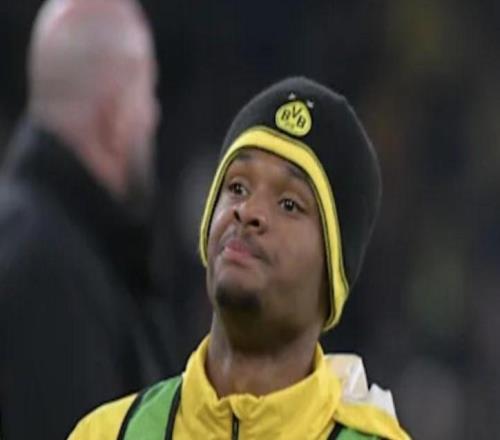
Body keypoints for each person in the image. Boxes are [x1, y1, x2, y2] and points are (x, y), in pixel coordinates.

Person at [69, 77, 410, 439]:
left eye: (289, 204)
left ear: (334, 272)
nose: (248, 211)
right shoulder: (107, 433)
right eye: (237, 187)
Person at [0, 0, 169, 438]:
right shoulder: (50, 276)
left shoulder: (48, 242)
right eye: (148, 93)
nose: (154, 116)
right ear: (114, 117)